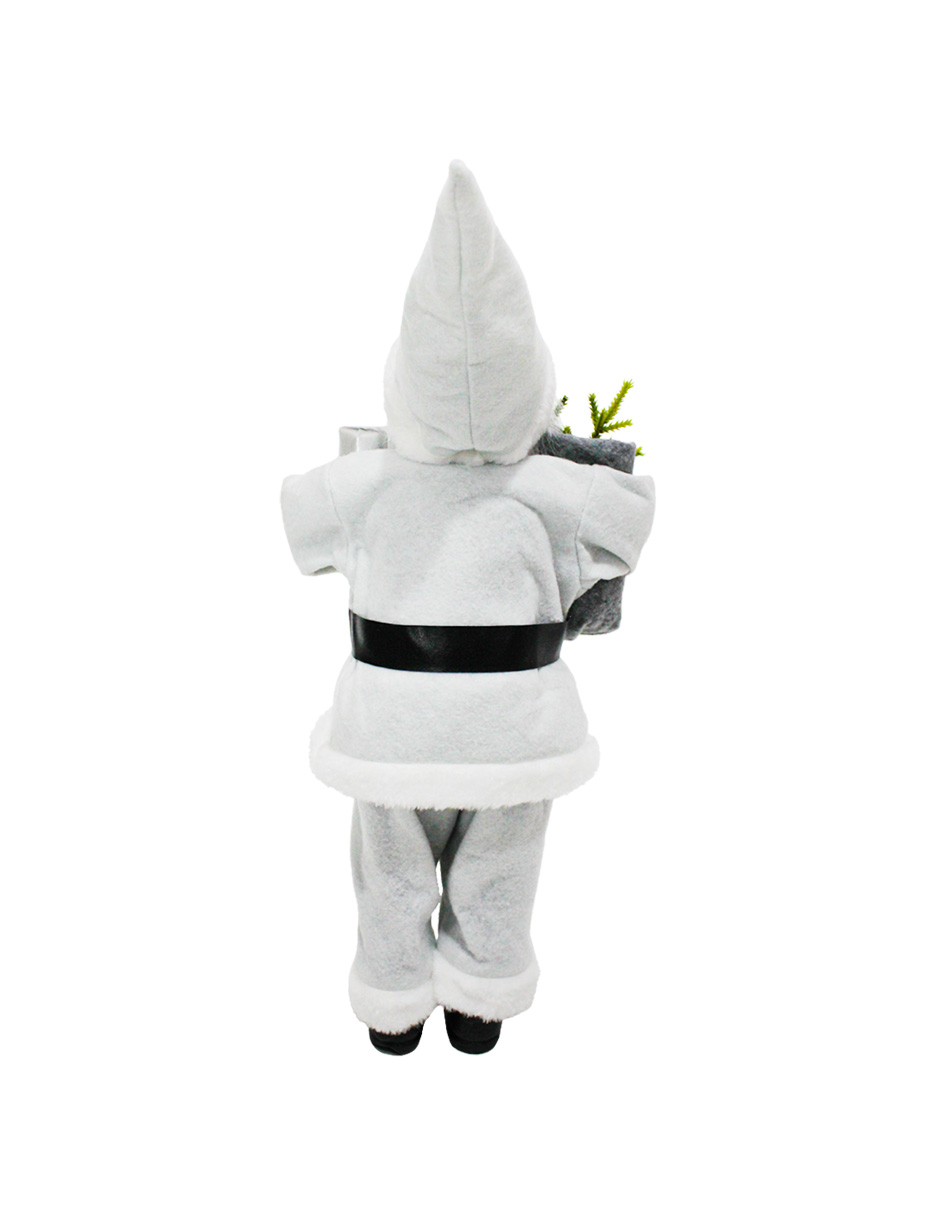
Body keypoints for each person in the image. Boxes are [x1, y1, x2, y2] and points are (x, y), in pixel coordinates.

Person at [281, 161, 655, 1054]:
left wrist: (370, 460)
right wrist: (575, 456)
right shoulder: (551, 490)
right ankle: (480, 1005)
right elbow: (629, 523)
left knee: (389, 869)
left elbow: (298, 523)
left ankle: (392, 1003)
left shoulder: (369, 482)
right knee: (501, 868)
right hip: (515, 732)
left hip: (392, 731)